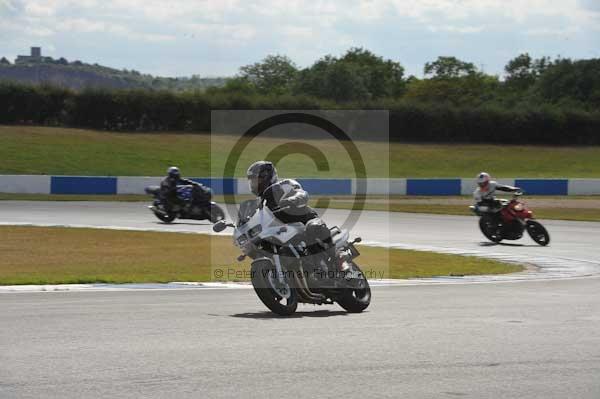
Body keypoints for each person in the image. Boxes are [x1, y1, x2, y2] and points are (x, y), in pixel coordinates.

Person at [246, 161, 331, 250]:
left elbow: (301, 193)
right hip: (282, 232)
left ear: (267, 177)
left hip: (303, 221)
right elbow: (260, 221)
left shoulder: (285, 184)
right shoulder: (261, 202)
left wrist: (292, 200)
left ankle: (335, 255)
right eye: (252, 181)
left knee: (313, 227)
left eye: (257, 180)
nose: (254, 184)